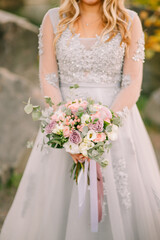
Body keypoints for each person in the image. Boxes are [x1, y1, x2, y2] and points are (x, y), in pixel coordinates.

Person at [0, 0, 160, 239]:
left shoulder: (129, 21)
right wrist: (67, 131)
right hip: (64, 121)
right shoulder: (52, 19)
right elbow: (49, 79)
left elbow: (132, 84)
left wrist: (102, 130)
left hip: (116, 122)